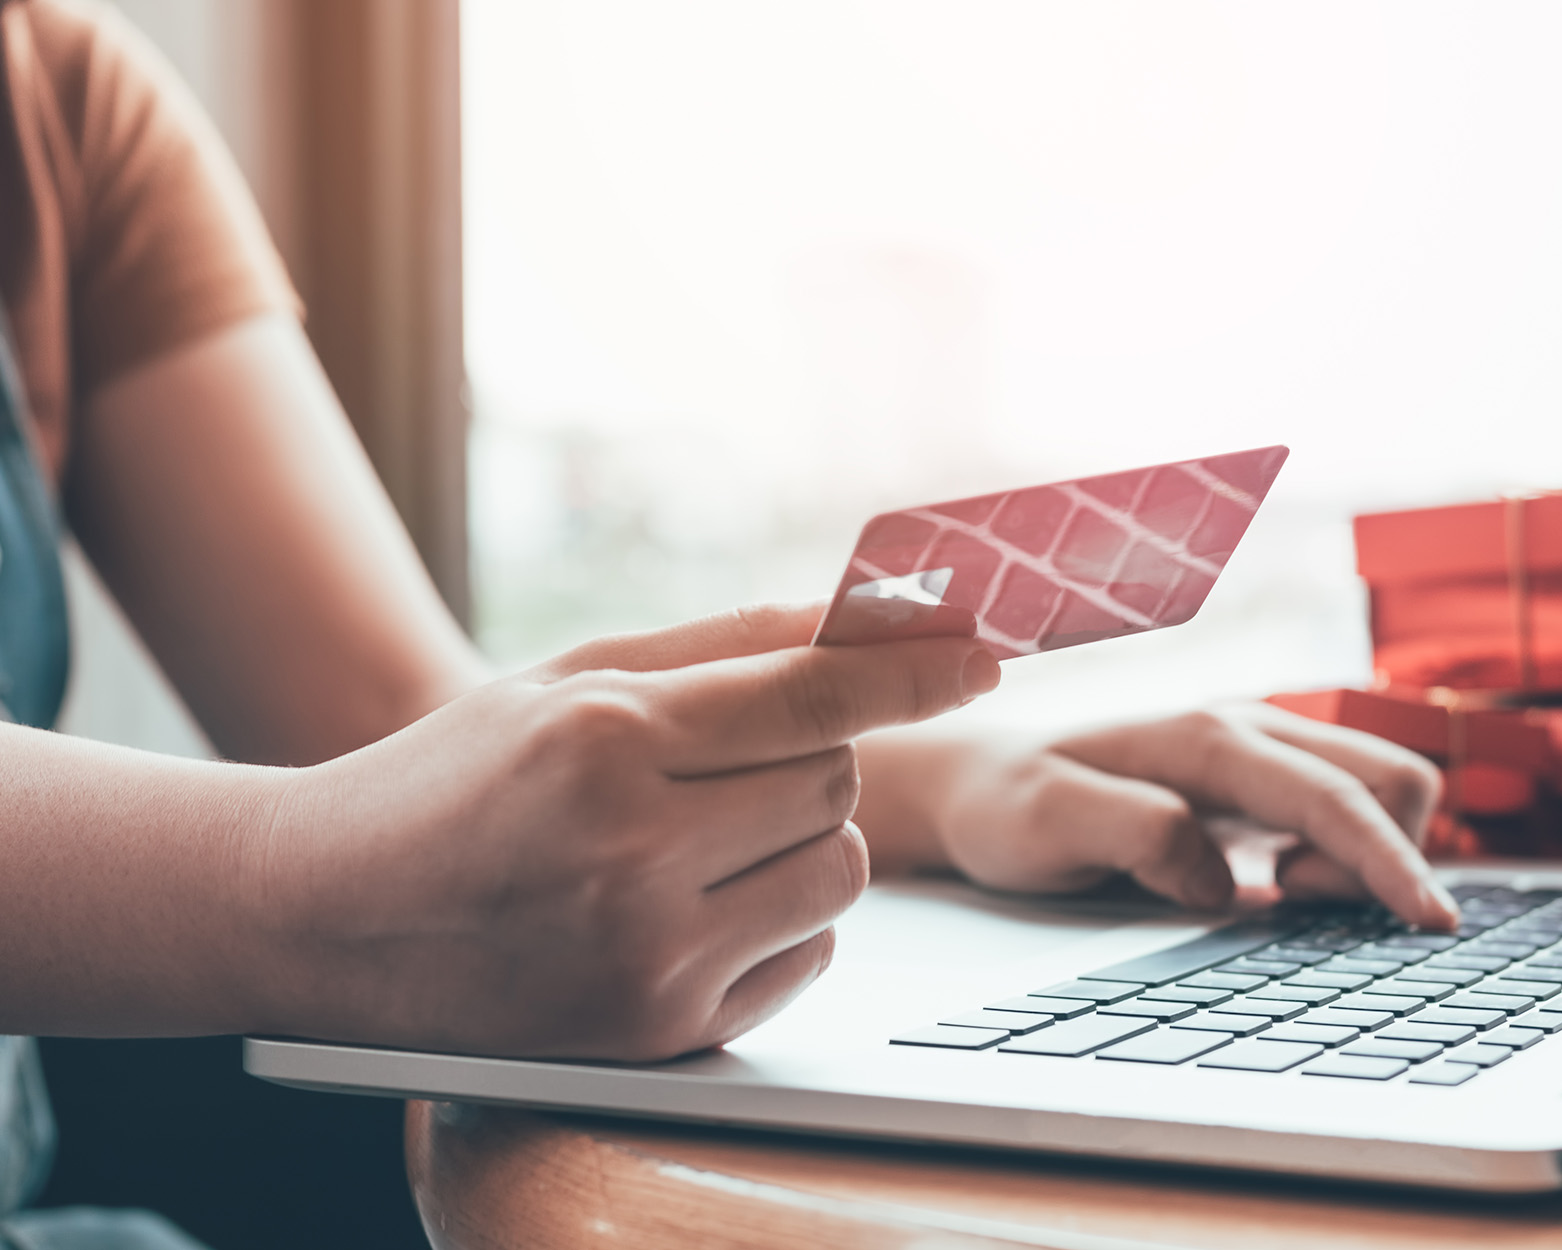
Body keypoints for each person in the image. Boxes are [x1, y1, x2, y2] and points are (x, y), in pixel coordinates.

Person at [0, 0, 1453, 1244]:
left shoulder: (57, 100)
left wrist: (958, 775)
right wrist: (300, 890)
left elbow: (400, 728)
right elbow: (367, 833)